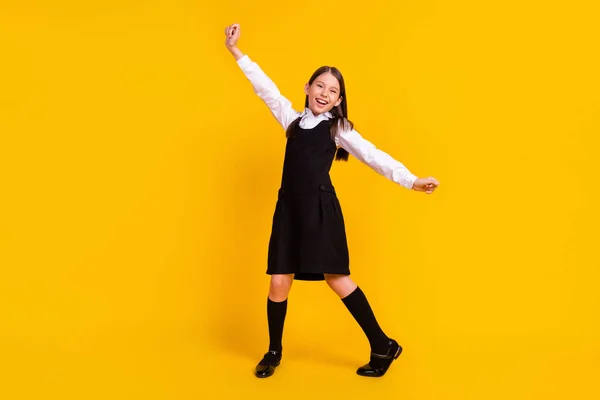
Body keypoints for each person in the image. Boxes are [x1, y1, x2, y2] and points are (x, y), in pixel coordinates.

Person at [224, 23, 440, 378]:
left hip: (320, 211)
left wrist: (411, 180)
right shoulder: (291, 120)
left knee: (338, 278)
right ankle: (274, 350)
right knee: (278, 281)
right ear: (307, 89)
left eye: (333, 90)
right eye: (319, 85)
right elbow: (265, 89)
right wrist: (236, 51)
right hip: (289, 211)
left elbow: (373, 155)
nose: (325, 93)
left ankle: (383, 344)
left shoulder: (338, 129)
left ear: (339, 100)